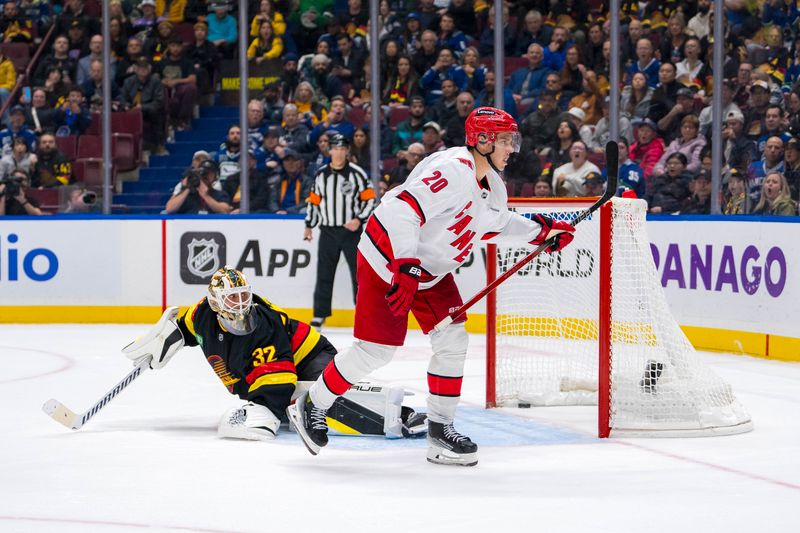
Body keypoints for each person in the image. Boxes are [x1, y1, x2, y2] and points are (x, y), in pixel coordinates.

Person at [287, 107, 577, 466]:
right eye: (505, 140)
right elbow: (403, 209)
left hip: (430, 273)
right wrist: (405, 265)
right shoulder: (453, 170)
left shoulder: (494, 188)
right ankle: (313, 403)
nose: (512, 148)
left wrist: (541, 232)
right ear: (482, 140)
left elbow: (494, 226)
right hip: (387, 259)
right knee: (375, 351)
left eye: (512, 140)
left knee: (454, 341)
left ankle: (440, 431)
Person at [122, 267, 426, 442]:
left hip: (310, 356)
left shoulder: (262, 325)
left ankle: (396, 416)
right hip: (289, 363)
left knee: (315, 401)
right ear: (215, 302)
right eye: (232, 297)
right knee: (300, 401)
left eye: (244, 295)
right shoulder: (201, 314)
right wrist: (163, 341)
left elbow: (278, 383)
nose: (240, 303)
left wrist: (270, 409)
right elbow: (183, 322)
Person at [304, 133, 376, 329]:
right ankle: (319, 315)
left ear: (347, 151)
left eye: (342, 148)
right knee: (324, 274)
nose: (338, 152)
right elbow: (314, 201)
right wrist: (309, 225)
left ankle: (362, 312)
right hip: (327, 230)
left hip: (351, 232)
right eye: (335, 148)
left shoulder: (357, 174)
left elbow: (370, 199)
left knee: (358, 274)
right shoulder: (321, 174)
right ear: (330, 151)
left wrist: (359, 219)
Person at [164, 159, 232, 214]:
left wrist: (205, 196)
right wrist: (187, 188)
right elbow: (169, 209)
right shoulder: (187, 195)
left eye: (209, 173)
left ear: (215, 177)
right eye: (203, 172)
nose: (205, 175)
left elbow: (225, 211)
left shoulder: (220, 194)